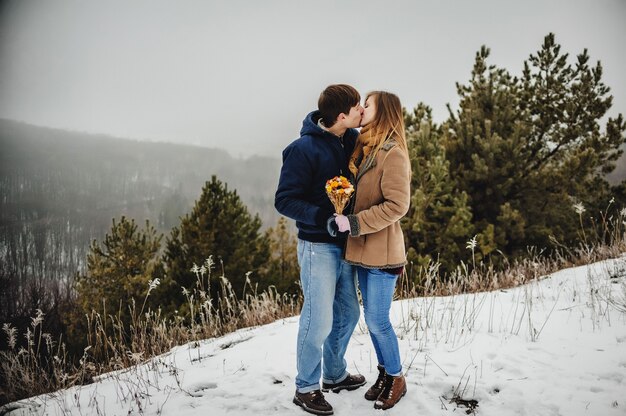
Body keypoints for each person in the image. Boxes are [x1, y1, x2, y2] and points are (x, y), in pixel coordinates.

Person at [275, 84, 367, 416]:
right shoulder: (302, 150)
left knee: (348, 313)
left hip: (347, 245)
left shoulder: (352, 140)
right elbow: (284, 200)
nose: (361, 110)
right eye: (357, 106)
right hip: (318, 246)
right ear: (342, 115)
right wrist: (323, 217)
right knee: (318, 319)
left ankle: (335, 373)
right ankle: (306, 387)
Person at [333, 91, 411, 410]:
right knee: (372, 317)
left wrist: (354, 222)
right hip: (364, 252)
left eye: (369, 104)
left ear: (385, 112)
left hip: (383, 252)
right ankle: (384, 373)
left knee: (378, 320)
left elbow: (397, 205)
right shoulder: (366, 148)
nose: (362, 108)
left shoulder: (393, 153)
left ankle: (397, 377)